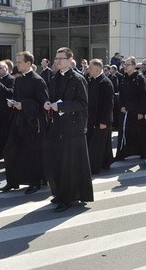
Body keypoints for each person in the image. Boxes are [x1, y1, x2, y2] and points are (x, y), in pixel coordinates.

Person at [44, 47, 93, 212]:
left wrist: (61, 106)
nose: (57, 61)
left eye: (60, 58)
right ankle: (59, 192)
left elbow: (83, 104)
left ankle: (69, 197)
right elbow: (51, 98)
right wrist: (47, 104)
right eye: (56, 58)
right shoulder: (54, 78)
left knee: (70, 165)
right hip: (57, 128)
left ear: (70, 59)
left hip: (73, 129)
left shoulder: (78, 79)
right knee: (57, 163)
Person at [0, 52, 48, 194]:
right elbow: (16, 97)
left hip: (32, 124)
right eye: (17, 61)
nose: (17, 64)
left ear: (28, 63)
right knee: (10, 151)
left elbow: (43, 104)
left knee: (31, 154)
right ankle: (12, 181)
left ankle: (35, 183)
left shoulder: (38, 80)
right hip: (18, 121)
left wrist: (24, 105)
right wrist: (12, 103)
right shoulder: (19, 80)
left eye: (20, 62)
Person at [116, 56, 146, 161]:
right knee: (123, 131)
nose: (125, 66)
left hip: (137, 111)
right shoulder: (123, 78)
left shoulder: (140, 78)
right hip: (126, 110)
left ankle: (144, 153)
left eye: (128, 64)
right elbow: (121, 94)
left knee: (140, 133)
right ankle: (121, 154)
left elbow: (144, 96)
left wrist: (141, 112)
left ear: (134, 66)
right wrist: (121, 106)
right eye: (124, 64)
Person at [86, 59, 114, 174]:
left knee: (97, 145)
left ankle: (94, 167)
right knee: (102, 143)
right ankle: (105, 163)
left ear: (97, 69)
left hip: (102, 120)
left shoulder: (106, 83)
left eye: (90, 68)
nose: (88, 70)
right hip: (92, 118)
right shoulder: (92, 80)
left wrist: (104, 121)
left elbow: (108, 105)